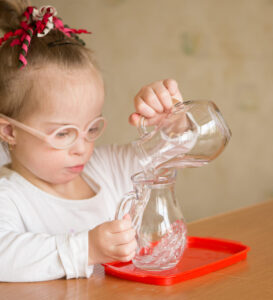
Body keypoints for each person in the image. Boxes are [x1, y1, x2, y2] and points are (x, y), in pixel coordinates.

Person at [0, 1, 183, 282]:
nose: (82, 148)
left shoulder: (107, 168)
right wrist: (86, 249)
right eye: (63, 133)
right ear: (10, 131)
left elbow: (174, 152)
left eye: (92, 128)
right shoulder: (9, 198)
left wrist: (172, 120)